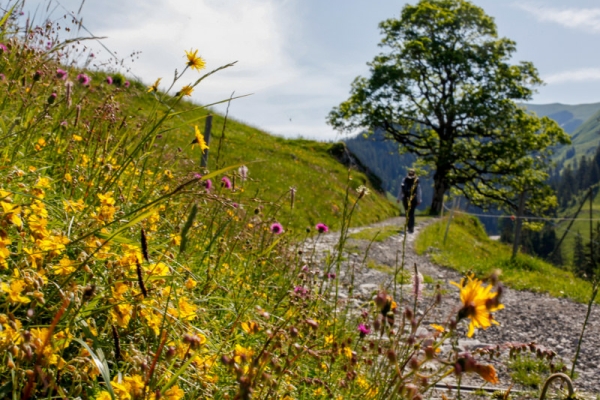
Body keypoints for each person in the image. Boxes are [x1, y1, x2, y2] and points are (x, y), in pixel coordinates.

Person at [398, 169, 421, 233]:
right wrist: (419, 200)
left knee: (407, 212)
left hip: (405, 198)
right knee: (412, 212)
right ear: (414, 174)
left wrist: (399, 198)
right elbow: (418, 191)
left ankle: (408, 226)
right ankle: (411, 227)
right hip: (413, 198)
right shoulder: (416, 180)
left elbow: (401, 189)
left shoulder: (404, 179)